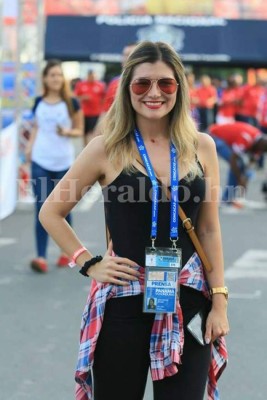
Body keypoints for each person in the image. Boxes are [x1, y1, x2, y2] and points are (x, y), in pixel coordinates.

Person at [39, 42, 229, 400]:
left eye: (166, 84)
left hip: (189, 300)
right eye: (142, 84)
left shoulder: (202, 146)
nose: (154, 93)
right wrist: (89, 263)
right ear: (128, 89)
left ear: (179, 88)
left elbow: (208, 228)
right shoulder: (106, 148)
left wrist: (219, 301)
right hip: (123, 303)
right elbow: (51, 212)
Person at [25, 59, 83, 273]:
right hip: (41, 160)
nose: (56, 79)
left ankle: (66, 253)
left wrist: (67, 133)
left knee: (63, 208)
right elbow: (36, 128)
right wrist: (29, 148)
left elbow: (79, 129)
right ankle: (40, 256)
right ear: (45, 79)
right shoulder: (38, 101)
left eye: (59, 75)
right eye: (52, 75)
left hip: (64, 163)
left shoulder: (72, 102)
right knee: (41, 208)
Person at [209, 121, 267, 205]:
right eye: (262, 150)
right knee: (237, 164)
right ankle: (227, 198)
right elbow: (233, 159)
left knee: (240, 165)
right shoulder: (247, 138)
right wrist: (240, 178)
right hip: (214, 136)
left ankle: (230, 197)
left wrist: (245, 178)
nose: (260, 152)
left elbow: (251, 163)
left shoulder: (259, 143)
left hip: (225, 139)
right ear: (260, 145)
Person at [101, 43, 137, 113]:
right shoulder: (115, 83)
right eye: (124, 55)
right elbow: (106, 112)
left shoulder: (148, 82)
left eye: (130, 55)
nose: (126, 58)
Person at [74, 70, 106, 146]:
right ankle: (85, 147)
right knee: (84, 132)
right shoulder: (81, 85)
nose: (92, 78)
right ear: (87, 76)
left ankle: (90, 147)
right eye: (90, 76)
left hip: (95, 113)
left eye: (94, 76)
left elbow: (104, 97)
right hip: (84, 113)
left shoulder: (100, 85)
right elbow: (75, 97)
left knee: (91, 132)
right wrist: (83, 97)